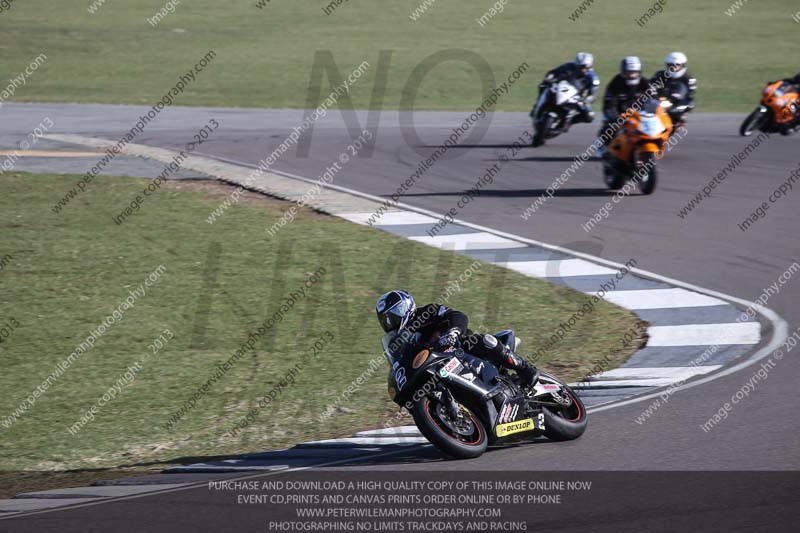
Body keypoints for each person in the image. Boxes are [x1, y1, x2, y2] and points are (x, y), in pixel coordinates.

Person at [375, 290, 538, 386]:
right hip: (437, 366)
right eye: (385, 320)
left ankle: (525, 368)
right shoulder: (400, 342)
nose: (390, 324)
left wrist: (452, 333)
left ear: (405, 308)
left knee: (482, 341)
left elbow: (458, 316)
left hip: (460, 347)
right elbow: (399, 362)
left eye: (392, 317)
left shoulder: (426, 313)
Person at [597, 56, 652, 156]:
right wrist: (616, 117)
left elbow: (654, 99)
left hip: (640, 115)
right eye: (629, 72)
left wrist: (655, 110)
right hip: (620, 113)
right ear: (623, 71)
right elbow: (609, 104)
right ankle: (603, 145)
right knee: (609, 126)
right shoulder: (615, 83)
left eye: (634, 72)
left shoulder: (645, 83)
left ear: (639, 71)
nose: (632, 75)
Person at [535, 52, 600, 124]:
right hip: (562, 87)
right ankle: (537, 107)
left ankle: (570, 122)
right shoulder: (569, 66)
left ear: (589, 66)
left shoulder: (593, 78)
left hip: (577, 96)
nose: (581, 69)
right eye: (579, 66)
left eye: (584, 67)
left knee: (589, 116)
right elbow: (553, 72)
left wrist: (586, 100)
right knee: (543, 86)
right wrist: (548, 79)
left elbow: (593, 95)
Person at [650, 52, 696, 127]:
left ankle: (677, 121)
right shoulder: (660, 75)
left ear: (682, 65)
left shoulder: (688, 79)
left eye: (677, 65)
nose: (674, 67)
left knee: (680, 117)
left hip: (677, 103)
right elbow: (650, 85)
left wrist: (678, 108)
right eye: (671, 65)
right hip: (660, 101)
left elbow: (690, 99)